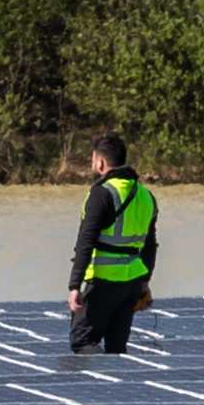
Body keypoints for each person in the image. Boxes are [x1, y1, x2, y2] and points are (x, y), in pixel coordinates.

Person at [63, 134, 161, 355]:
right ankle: (116, 386)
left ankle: (97, 387)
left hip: (102, 280)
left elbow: (85, 241)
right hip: (131, 284)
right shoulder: (146, 196)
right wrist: (144, 282)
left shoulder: (102, 193)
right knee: (116, 348)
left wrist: (74, 286)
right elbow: (150, 245)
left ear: (100, 163)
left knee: (82, 341)